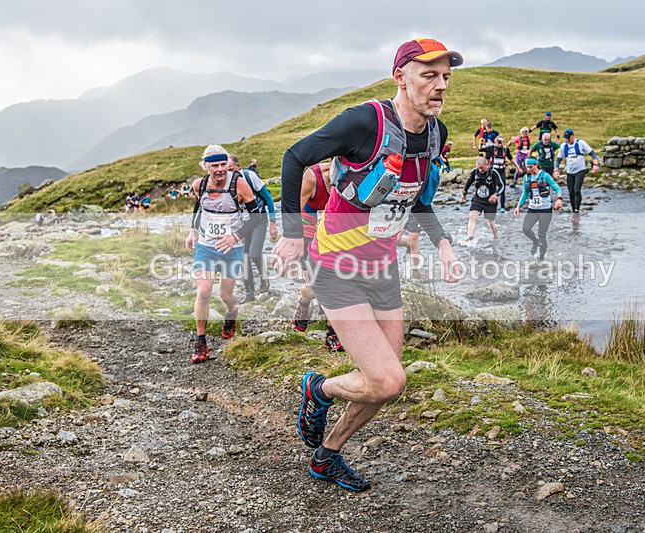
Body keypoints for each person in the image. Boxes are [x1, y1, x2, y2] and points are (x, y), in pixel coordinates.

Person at [272, 37, 462, 492]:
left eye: (446, 78)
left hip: (382, 269)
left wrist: (444, 244)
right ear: (400, 77)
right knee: (390, 381)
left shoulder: (436, 134)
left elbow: (417, 200)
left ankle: (327, 455)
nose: (440, 87)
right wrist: (294, 234)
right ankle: (318, 390)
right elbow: (294, 157)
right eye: (428, 76)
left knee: (380, 383)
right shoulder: (365, 122)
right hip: (336, 268)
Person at [185, 144, 259, 364]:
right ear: (206, 166)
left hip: (232, 248)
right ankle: (200, 341)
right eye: (214, 165)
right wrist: (192, 231)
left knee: (225, 295)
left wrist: (235, 237)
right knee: (204, 291)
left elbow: (257, 217)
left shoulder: (239, 184)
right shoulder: (200, 185)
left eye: (223, 164)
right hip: (206, 246)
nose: (219, 169)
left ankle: (231, 311)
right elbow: (198, 209)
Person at [291, 162, 344, 351]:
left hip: (334, 232)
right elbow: (292, 211)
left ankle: (332, 335)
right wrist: (291, 239)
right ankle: (304, 301)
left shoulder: (355, 175)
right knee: (312, 290)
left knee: (337, 283)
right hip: (308, 229)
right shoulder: (312, 176)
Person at [227, 153, 278, 302]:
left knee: (254, 254)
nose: (228, 174)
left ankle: (264, 278)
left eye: (231, 170)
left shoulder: (249, 177)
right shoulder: (226, 183)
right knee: (243, 257)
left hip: (259, 219)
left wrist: (273, 223)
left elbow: (268, 197)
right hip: (243, 223)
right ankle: (250, 293)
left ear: (237, 166)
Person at [515, 158, 563, 260]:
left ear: (536, 165)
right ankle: (535, 242)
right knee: (526, 229)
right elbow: (525, 193)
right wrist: (519, 206)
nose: (529, 169)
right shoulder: (526, 178)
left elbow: (557, 187)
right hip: (532, 209)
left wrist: (559, 199)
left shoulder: (545, 176)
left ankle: (541, 258)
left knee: (542, 234)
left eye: (530, 167)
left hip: (545, 210)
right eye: (527, 167)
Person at [553, 128, 599, 217]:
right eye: (565, 138)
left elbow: (592, 153)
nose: (566, 140)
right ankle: (574, 210)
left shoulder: (581, 143)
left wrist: (595, 164)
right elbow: (558, 159)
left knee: (577, 190)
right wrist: (556, 170)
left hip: (580, 170)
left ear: (572, 136)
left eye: (568, 138)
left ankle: (577, 210)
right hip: (570, 171)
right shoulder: (563, 146)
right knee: (571, 192)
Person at [460, 156, 504, 245]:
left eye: (482, 168)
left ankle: (495, 238)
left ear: (487, 164)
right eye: (478, 168)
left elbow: (502, 186)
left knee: (491, 222)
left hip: (490, 201)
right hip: (478, 199)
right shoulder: (475, 172)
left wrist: (496, 195)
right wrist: (464, 193)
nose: (480, 170)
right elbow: (469, 182)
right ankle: (470, 236)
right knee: (472, 215)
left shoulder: (493, 172)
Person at [484, 136, 514, 213]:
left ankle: (502, 208)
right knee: (492, 188)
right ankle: (490, 205)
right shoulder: (492, 148)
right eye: (498, 142)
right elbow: (483, 152)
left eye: (501, 143)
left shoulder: (505, 149)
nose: (500, 145)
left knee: (502, 188)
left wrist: (518, 167)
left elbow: (511, 158)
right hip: (493, 171)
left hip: (501, 171)